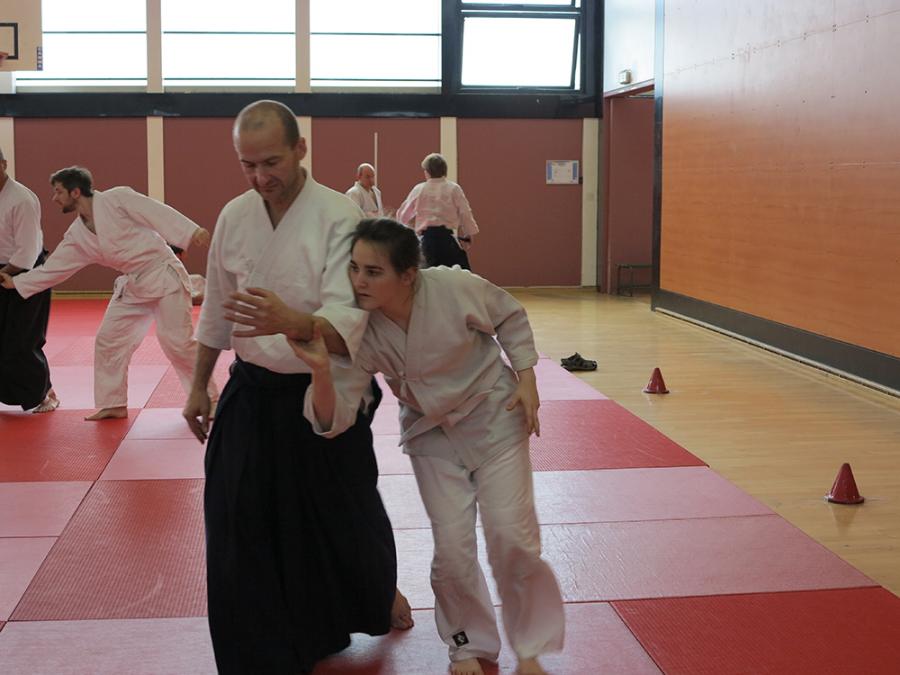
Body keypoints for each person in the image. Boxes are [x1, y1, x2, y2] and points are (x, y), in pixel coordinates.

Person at [182, 100, 410, 674]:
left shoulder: (339, 216)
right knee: (236, 513)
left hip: (325, 385)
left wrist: (294, 321)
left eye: (272, 162)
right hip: (253, 387)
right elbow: (217, 308)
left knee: (344, 511)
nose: (261, 177)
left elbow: (351, 320)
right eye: (248, 164)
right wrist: (199, 384)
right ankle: (261, 646)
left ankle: (375, 590)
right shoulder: (235, 215)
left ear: (301, 149)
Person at [287, 218, 565, 675]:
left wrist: (527, 377)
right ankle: (467, 644)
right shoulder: (362, 328)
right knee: (453, 549)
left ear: (408, 275)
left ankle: (530, 648)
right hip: (431, 433)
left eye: (372, 271)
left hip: (495, 415)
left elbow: (509, 315)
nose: (358, 281)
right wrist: (320, 371)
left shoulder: (454, 287)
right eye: (353, 268)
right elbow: (334, 418)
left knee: (513, 538)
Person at [0, 166, 215, 420]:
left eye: (58, 192)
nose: (54, 198)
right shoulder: (78, 235)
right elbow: (54, 268)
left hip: (163, 275)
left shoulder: (117, 199)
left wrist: (191, 231)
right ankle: (113, 403)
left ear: (75, 192)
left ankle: (210, 399)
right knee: (109, 339)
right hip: (133, 284)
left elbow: (155, 212)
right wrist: (17, 283)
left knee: (177, 342)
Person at [0, 147, 58, 413]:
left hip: (26, 272)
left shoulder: (21, 199)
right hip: (3, 268)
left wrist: (6, 273)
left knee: (22, 340)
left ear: (4, 164)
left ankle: (44, 395)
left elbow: (27, 251)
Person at [396, 152, 479, 270]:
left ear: (427, 172)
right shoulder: (454, 188)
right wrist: (469, 233)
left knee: (425, 277)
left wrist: (406, 234)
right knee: (459, 275)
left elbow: (403, 215)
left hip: (426, 242)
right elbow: (465, 213)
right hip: (447, 240)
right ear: (445, 170)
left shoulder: (419, 189)